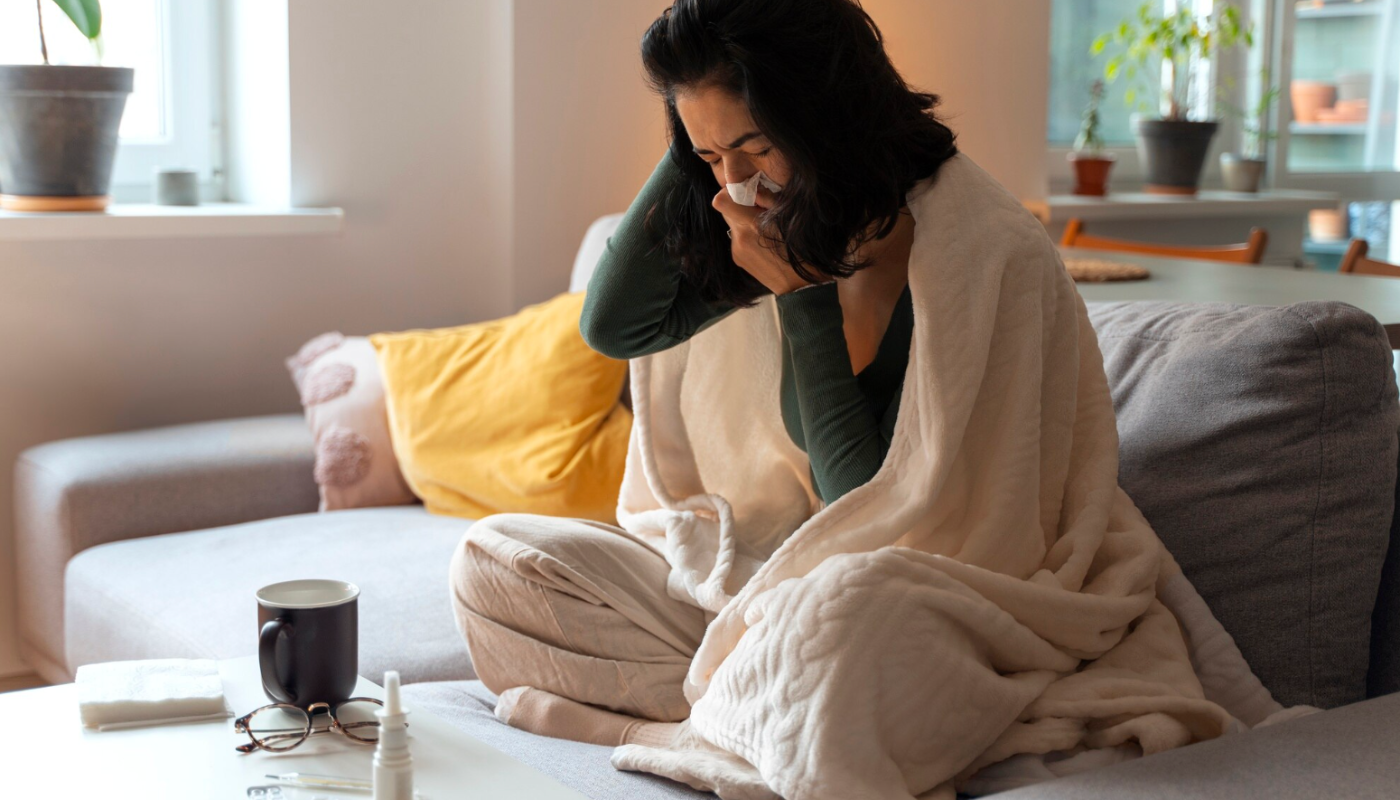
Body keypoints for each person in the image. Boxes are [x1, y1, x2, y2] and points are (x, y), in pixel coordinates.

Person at [450, 0, 962, 747]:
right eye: (711, 159)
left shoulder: (953, 248)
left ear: (824, 113)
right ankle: (752, 715)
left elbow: (871, 510)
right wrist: (705, 137)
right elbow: (614, 324)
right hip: (752, 584)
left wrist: (802, 297)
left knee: (850, 623)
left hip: (872, 593)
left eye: (755, 146)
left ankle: (664, 732)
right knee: (491, 561)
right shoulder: (765, 225)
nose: (740, 186)